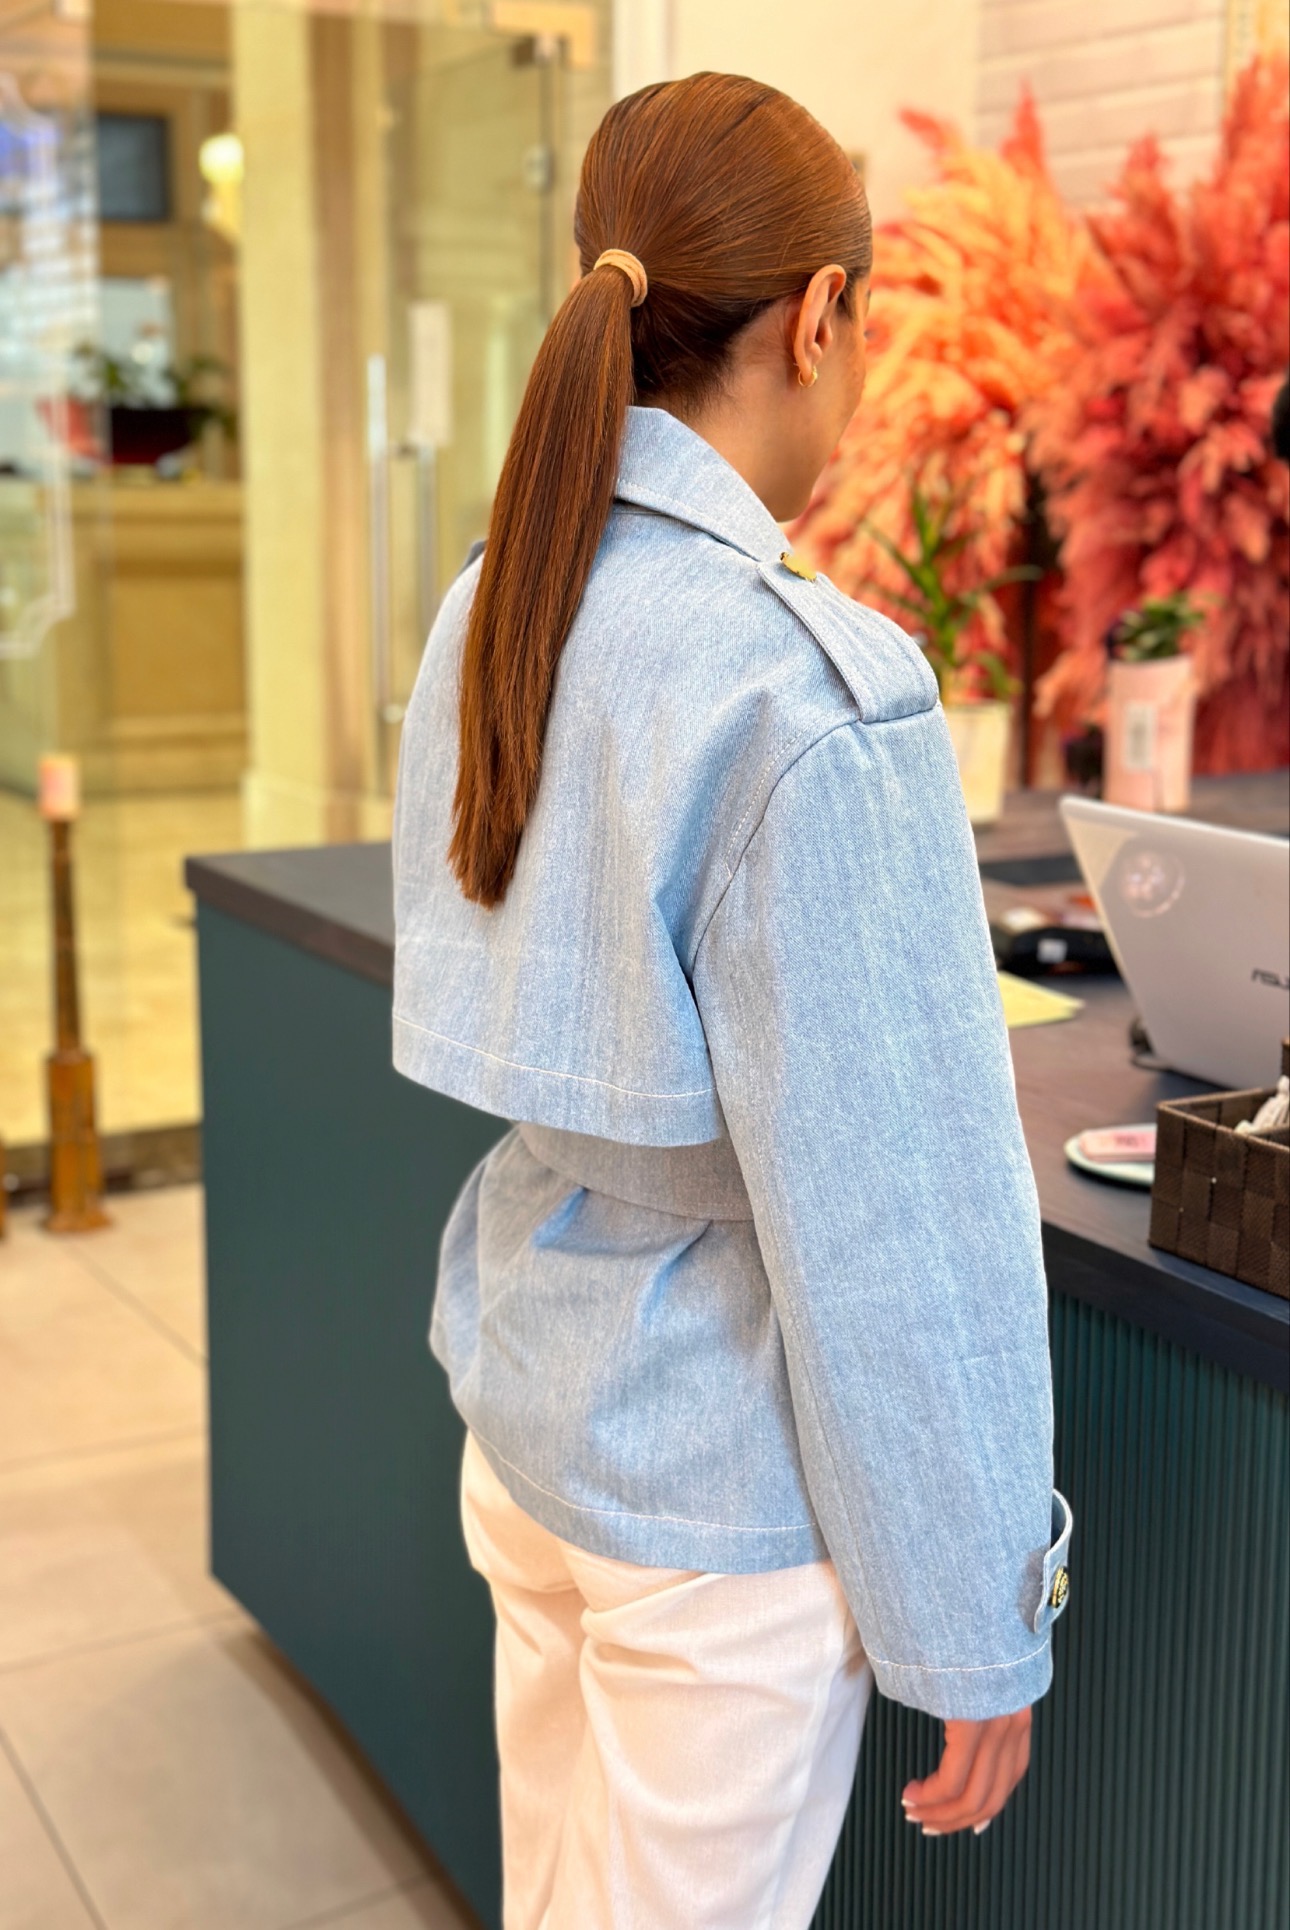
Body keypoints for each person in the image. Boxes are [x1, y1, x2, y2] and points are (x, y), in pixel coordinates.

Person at [392, 71, 1071, 1930]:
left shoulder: (498, 599)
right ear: (819, 315)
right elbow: (898, 1219)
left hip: (536, 1415)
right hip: (716, 1502)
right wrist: (974, 1614)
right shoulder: (809, 691)